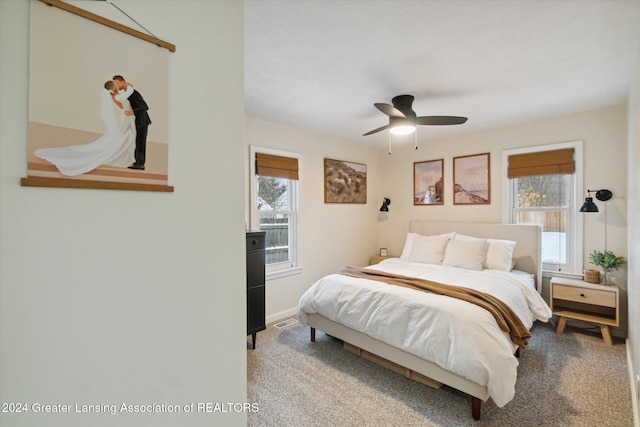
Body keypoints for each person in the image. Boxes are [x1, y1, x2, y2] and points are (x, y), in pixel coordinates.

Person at [35, 81, 136, 176]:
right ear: (113, 87)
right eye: (116, 84)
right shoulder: (116, 96)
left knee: (129, 134)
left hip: (128, 116)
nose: (118, 85)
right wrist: (130, 90)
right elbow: (124, 105)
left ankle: (132, 155)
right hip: (127, 116)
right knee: (128, 134)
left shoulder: (118, 95)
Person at [112, 75, 151, 170]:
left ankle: (140, 164)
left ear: (122, 81)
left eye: (117, 83)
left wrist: (133, 112)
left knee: (140, 142)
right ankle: (138, 162)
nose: (116, 85)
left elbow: (145, 106)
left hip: (142, 120)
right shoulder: (128, 93)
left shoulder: (132, 92)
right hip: (138, 120)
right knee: (137, 141)